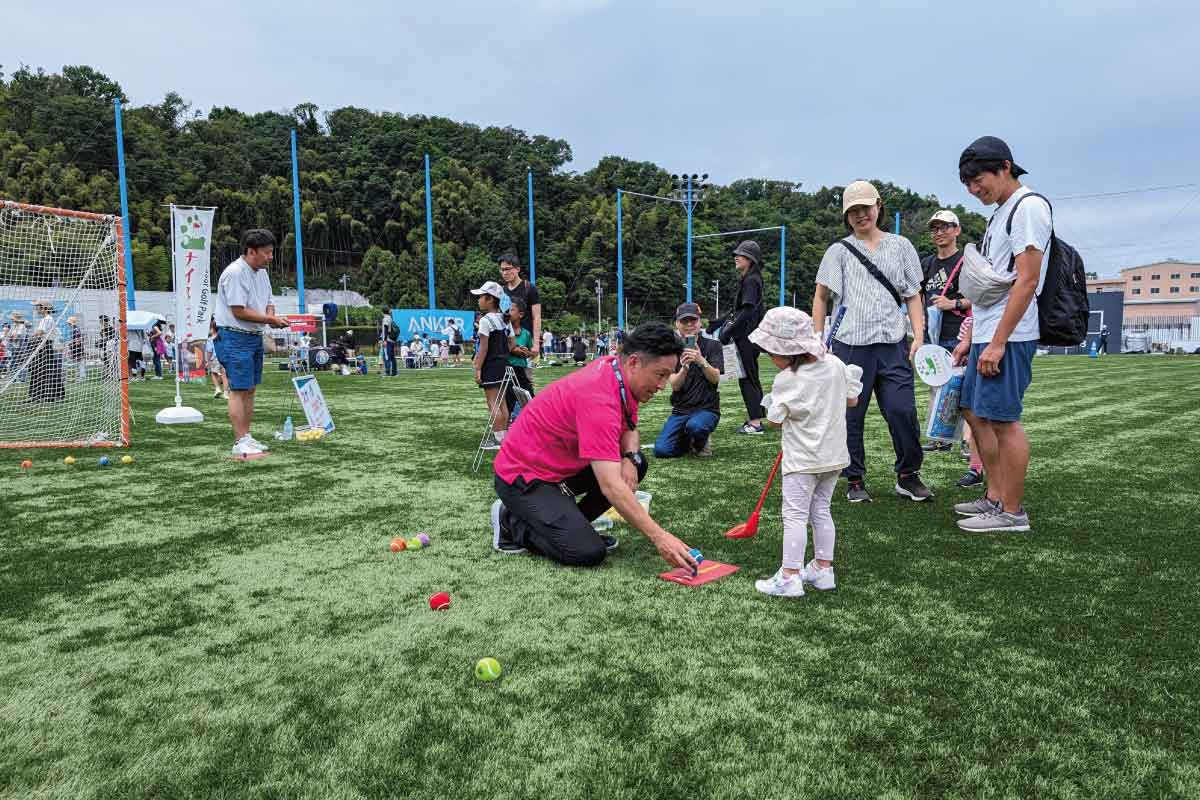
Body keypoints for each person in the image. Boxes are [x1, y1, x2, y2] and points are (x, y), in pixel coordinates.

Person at [491, 321, 699, 571]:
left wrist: (631, 458)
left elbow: (630, 428)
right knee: (586, 552)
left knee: (637, 464)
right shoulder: (598, 397)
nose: (663, 385)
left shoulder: (618, 372)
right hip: (522, 477)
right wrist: (661, 537)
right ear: (633, 362)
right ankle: (511, 522)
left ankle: (565, 524)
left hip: (559, 470)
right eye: (660, 374)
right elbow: (611, 486)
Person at [951, 136, 1050, 533]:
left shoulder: (1029, 207)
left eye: (978, 180)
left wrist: (998, 342)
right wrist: (973, 337)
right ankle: (993, 496)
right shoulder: (1000, 213)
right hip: (986, 332)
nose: (975, 190)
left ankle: (1012, 512)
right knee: (975, 413)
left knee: (1004, 421)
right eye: (968, 184)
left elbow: (1026, 282)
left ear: (1005, 167)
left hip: (1008, 335)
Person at [812, 179, 932, 504]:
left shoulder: (901, 246)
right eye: (853, 211)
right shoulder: (838, 251)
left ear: (878, 205)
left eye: (865, 207)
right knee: (851, 416)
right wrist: (817, 339)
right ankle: (854, 478)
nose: (860, 215)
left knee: (902, 411)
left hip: (893, 344)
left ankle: (908, 475)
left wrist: (918, 335)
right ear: (846, 216)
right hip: (850, 346)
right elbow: (821, 296)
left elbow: (913, 295)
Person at [750, 307, 863, 597]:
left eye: (772, 351)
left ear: (790, 352)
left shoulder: (787, 380)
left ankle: (789, 576)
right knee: (821, 510)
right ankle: (823, 569)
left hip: (802, 460)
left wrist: (773, 402)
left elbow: (774, 421)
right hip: (834, 457)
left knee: (795, 516)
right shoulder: (836, 364)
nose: (770, 357)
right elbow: (852, 400)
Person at [213, 229, 291, 458]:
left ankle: (246, 437)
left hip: (254, 336)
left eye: (271, 253)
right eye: (266, 253)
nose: (270, 257)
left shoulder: (262, 273)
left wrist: (271, 317)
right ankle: (239, 440)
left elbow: (269, 301)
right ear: (251, 251)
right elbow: (239, 311)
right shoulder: (235, 273)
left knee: (250, 388)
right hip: (234, 336)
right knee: (238, 390)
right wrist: (270, 320)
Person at [920, 209, 973, 456]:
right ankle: (939, 436)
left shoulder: (967, 261)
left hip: (960, 333)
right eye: (935, 228)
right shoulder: (927, 264)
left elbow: (984, 295)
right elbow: (915, 295)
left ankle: (967, 442)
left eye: (945, 227)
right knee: (937, 385)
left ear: (957, 230)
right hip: (934, 335)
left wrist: (955, 303)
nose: (939, 232)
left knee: (963, 387)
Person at [709, 240, 767, 435]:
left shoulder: (751, 280)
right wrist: (718, 323)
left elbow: (748, 311)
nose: (736, 256)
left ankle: (755, 423)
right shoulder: (750, 278)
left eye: (740, 254)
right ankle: (758, 416)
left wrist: (728, 331)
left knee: (747, 379)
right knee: (751, 376)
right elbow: (739, 310)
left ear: (751, 259)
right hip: (749, 336)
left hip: (747, 338)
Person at [653, 302, 723, 458]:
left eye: (693, 320)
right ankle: (688, 441)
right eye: (684, 321)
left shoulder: (713, 346)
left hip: (707, 408)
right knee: (661, 451)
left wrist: (701, 361)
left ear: (700, 322)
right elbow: (675, 386)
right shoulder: (670, 349)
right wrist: (684, 367)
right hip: (681, 410)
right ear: (677, 323)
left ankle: (699, 440)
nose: (689, 324)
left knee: (696, 426)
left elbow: (715, 378)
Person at [471, 281, 511, 450]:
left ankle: (498, 439)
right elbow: (510, 343)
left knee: (492, 402)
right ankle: (504, 438)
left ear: (490, 299)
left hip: (491, 365)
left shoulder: (486, 320)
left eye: (481, 297)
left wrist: (478, 368)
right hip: (503, 364)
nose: (479, 300)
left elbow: (483, 347)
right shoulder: (504, 318)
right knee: (502, 403)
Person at [498, 253, 542, 371]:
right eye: (502, 270)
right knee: (505, 379)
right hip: (507, 341)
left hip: (526, 341)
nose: (505, 273)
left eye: (508, 269)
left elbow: (536, 317)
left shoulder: (529, 288)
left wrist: (536, 343)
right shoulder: (502, 292)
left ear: (517, 269)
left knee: (526, 379)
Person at [504, 298, 536, 419]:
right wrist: (514, 349)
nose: (508, 312)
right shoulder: (504, 330)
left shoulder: (526, 333)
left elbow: (532, 353)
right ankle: (507, 428)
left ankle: (533, 423)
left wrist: (526, 352)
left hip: (521, 370)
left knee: (529, 397)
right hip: (507, 370)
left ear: (521, 314)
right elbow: (502, 349)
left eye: (511, 310)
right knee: (508, 400)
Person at [28, 299, 65, 402]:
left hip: (45, 347)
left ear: (44, 308)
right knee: (39, 370)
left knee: (46, 371)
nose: (36, 309)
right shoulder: (45, 319)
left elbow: (40, 332)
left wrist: (32, 335)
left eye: (37, 306)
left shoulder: (47, 319)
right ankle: (38, 395)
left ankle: (51, 395)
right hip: (42, 346)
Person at [206, 318, 229, 399]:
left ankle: (218, 388)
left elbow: (209, 351)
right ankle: (226, 393)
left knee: (213, 373)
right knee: (224, 375)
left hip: (215, 358)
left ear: (212, 329)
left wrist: (208, 361)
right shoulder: (223, 336)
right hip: (224, 357)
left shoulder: (210, 339)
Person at [66, 315, 86, 382]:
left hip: (77, 348)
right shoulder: (75, 329)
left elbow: (77, 341)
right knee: (78, 364)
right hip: (77, 348)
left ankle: (81, 377)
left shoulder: (75, 329)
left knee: (79, 364)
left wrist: (71, 344)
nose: (68, 324)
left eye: (69, 323)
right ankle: (79, 377)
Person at [380, 312, 398, 377]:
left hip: (388, 340)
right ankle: (394, 372)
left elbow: (385, 328)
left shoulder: (385, 318)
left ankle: (387, 372)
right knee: (392, 357)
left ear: (382, 312)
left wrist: (384, 340)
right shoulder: (391, 318)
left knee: (386, 356)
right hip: (392, 340)